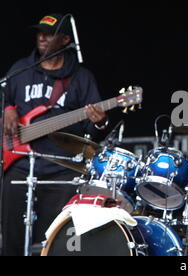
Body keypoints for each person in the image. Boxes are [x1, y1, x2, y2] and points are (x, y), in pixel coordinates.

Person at [1, 13, 109, 256]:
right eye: (39, 33)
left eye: (49, 34)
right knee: (11, 236)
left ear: (65, 40)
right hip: (20, 161)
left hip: (61, 166)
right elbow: (5, 96)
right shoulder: (20, 70)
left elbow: (92, 134)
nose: (41, 37)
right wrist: (7, 109)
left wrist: (100, 122)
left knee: (55, 238)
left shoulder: (82, 77)